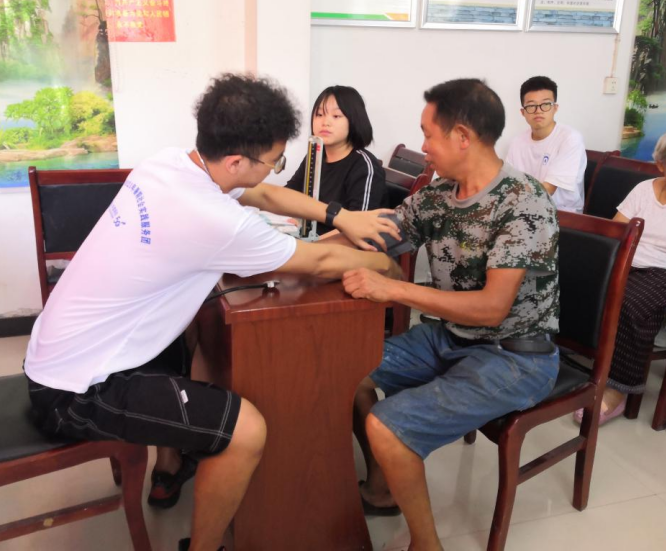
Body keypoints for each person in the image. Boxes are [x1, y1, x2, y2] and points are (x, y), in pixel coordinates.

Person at [23, 73, 402, 551]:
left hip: (60, 351)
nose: (274, 169)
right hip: (75, 388)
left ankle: (176, 458)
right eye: (273, 160)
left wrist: (340, 215)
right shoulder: (215, 220)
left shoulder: (170, 165)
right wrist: (386, 266)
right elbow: (319, 261)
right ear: (237, 161)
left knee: (195, 331)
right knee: (247, 430)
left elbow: (264, 194)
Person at [342, 79, 560, 551]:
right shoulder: (439, 194)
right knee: (345, 370)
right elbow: (375, 234)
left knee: (388, 423)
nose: (422, 146)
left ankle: (427, 545)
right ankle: (382, 487)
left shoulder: (523, 202)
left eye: (428, 134)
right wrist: (294, 248)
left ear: (462, 136)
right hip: (451, 336)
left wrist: (394, 288)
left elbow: (492, 308)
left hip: (515, 356)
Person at [576, 125, 666, 425]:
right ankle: (572, 361)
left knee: (630, 302)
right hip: (631, 265)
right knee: (579, 281)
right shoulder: (645, 189)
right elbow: (615, 233)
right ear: (661, 164)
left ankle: (618, 389)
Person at [285, 85, 386, 234]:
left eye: (336, 116)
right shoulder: (315, 155)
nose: (325, 122)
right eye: (319, 114)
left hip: (342, 244)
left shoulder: (364, 166)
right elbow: (289, 193)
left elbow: (359, 227)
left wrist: (309, 244)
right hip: (312, 238)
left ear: (354, 120)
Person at [505, 76, 587, 212]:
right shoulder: (517, 142)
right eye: (531, 106)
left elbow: (548, 189)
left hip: (561, 214)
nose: (538, 110)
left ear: (555, 108)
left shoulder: (570, 138)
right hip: (524, 211)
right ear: (523, 112)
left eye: (545, 104)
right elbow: (509, 183)